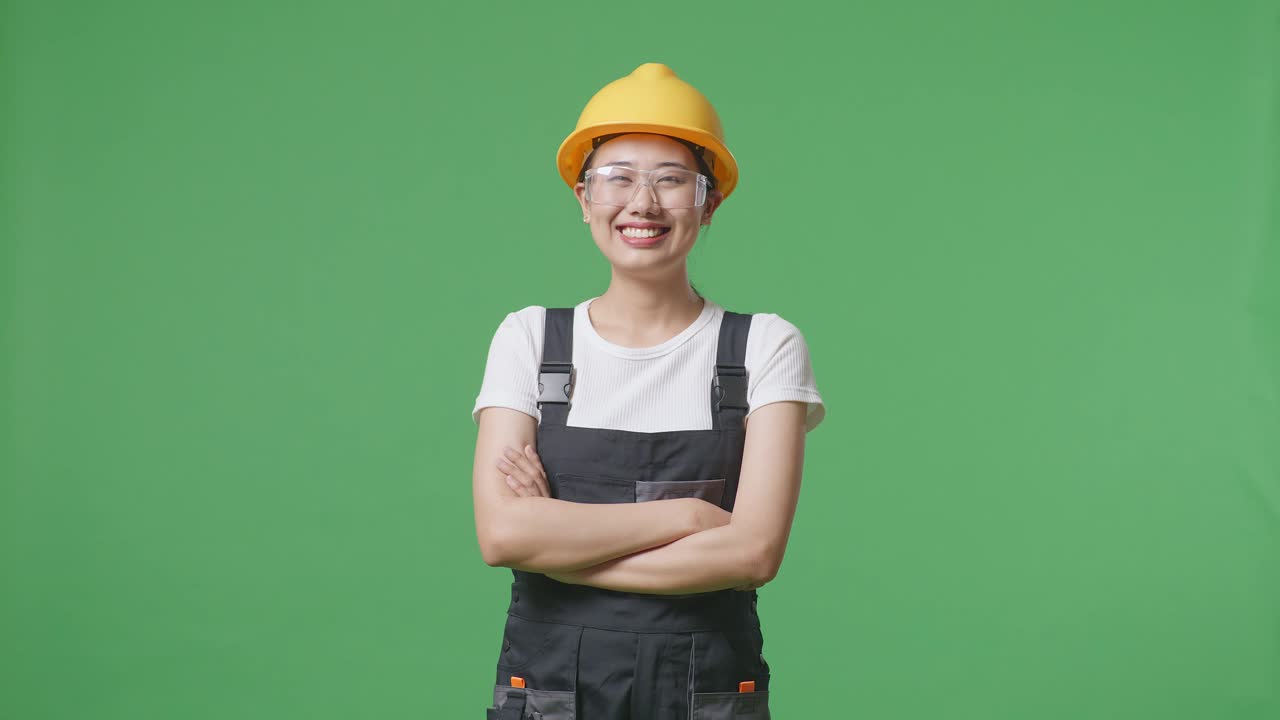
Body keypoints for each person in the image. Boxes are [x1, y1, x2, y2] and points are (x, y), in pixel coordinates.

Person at [470, 62, 826, 720]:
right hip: (551, 695)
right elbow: (503, 534)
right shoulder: (528, 339)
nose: (643, 203)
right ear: (583, 199)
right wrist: (688, 518)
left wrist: (562, 555)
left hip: (707, 695)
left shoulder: (764, 347)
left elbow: (753, 550)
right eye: (618, 178)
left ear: (709, 203)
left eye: (671, 181)